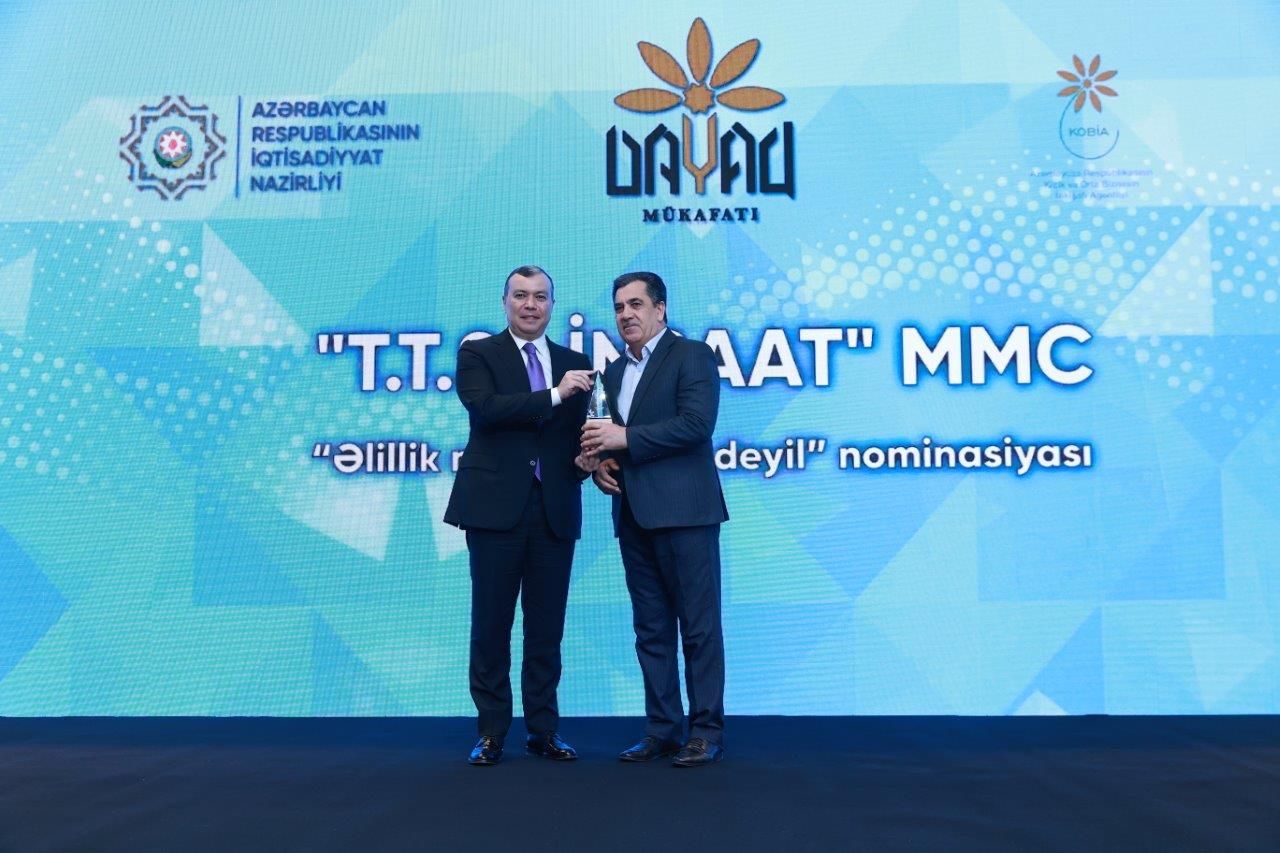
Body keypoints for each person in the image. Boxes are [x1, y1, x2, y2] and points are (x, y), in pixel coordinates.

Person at [444, 264, 595, 766]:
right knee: (491, 624)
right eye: (521, 296)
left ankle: (543, 730)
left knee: (546, 628)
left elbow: (574, 438)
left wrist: (584, 464)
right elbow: (488, 409)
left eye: (541, 297)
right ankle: (491, 732)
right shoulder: (478, 353)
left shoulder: (575, 363)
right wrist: (555, 394)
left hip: (554, 510)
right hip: (494, 510)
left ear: (552, 304)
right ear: (505, 301)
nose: (531, 305)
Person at [580, 271, 729, 767]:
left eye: (636, 304)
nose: (626, 314)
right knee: (650, 629)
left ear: (660, 309)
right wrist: (601, 462)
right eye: (619, 306)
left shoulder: (692, 355)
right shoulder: (611, 373)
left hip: (686, 514)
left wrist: (625, 439)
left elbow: (696, 425)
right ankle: (662, 729)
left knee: (699, 629)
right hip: (633, 516)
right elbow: (603, 435)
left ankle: (704, 732)